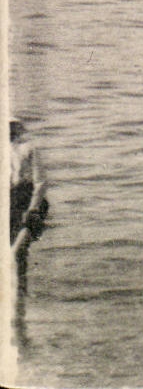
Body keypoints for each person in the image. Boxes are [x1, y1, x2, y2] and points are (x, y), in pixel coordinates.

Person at [10, 121, 48, 313]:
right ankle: (19, 300)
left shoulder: (28, 149)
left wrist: (32, 209)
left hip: (26, 200)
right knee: (18, 254)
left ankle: (20, 298)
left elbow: (40, 182)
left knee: (17, 252)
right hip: (9, 201)